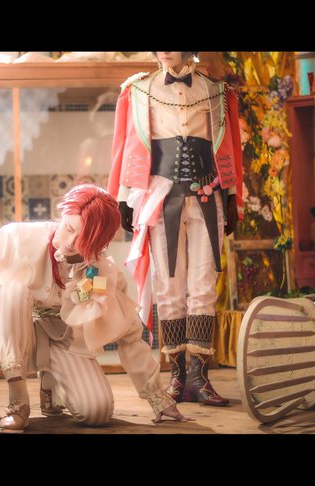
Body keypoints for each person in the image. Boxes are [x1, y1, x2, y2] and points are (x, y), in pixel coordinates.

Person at [0, 183, 189, 433]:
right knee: (13, 291)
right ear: (63, 214)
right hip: (17, 332)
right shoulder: (21, 238)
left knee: (97, 412)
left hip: (64, 337)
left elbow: (130, 334)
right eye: (69, 228)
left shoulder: (100, 272)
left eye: (82, 239)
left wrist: (157, 397)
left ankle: (50, 383)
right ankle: (18, 400)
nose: (69, 242)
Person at [107, 52, 243, 407]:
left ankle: (200, 377)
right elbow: (125, 146)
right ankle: (177, 376)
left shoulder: (216, 91)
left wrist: (233, 197)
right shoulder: (138, 90)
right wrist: (123, 198)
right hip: (159, 196)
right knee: (168, 287)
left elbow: (230, 146)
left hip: (208, 196)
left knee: (203, 285)